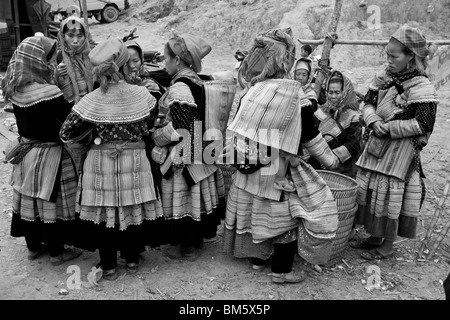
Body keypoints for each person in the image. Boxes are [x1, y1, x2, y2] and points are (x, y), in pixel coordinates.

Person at [222, 27, 341, 284]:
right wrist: (330, 160)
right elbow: (309, 135)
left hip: (250, 167)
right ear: (285, 60)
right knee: (285, 219)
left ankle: (257, 259)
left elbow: (237, 129)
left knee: (255, 213)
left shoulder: (250, 91)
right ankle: (281, 271)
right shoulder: (295, 94)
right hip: (281, 170)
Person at [59, 38, 164, 280]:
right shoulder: (143, 95)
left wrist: (93, 135)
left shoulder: (91, 101)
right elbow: (150, 124)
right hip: (135, 159)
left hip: (101, 161)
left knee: (105, 212)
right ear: (124, 64)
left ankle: (108, 265)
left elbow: (65, 133)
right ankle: (131, 258)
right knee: (130, 206)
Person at [352, 25, 439, 260]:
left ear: (411, 56)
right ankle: (374, 236)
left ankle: (387, 245)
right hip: (376, 144)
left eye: (394, 56)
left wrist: (388, 127)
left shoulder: (422, 87)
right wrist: (372, 121)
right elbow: (368, 102)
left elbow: (423, 125)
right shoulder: (384, 77)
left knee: (390, 194)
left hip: (400, 152)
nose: (388, 61)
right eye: (387, 55)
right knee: (371, 189)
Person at [1, 36, 82, 265]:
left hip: (26, 154)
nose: (51, 62)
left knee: (28, 201)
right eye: (48, 57)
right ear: (38, 60)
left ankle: (34, 247)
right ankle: (57, 252)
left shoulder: (15, 89)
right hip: (51, 156)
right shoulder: (49, 93)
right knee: (51, 205)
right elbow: (69, 122)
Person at [152, 32, 226, 261]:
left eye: (166, 58)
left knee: (183, 199)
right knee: (198, 199)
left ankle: (186, 246)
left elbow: (183, 127)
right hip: (202, 148)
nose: (164, 63)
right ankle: (195, 242)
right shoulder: (196, 80)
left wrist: (162, 139)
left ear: (178, 60)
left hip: (186, 151)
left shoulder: (181, 87)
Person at [54, 15, 94, 173]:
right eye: (70, 36)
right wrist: (56, 74)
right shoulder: (56, 57)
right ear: (63, 36)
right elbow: (49, 88)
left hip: (91, 112)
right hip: (69, 115)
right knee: (75, 158)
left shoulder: (90, 55)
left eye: (79, 35)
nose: (75, 40)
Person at [307, 70, 362, 178]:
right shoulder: (320, 113)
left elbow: (354, 144)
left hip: (343, 169)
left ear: (345, 92)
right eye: (330, 92)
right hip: (318, 167)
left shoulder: (353, 116)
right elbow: (311, 137)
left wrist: (331, 158)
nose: (333, 96)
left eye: (337, 92)